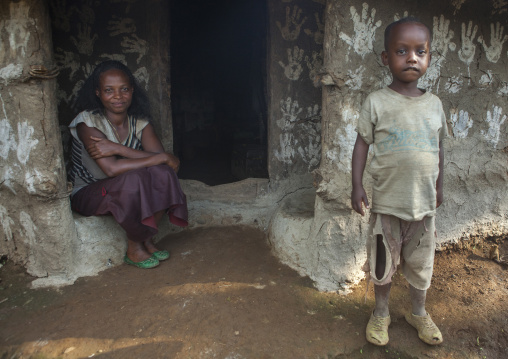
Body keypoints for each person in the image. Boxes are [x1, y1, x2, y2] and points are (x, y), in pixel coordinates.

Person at [351, 18, 447, 346]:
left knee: (421, 264)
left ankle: (418, 312)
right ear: (385, 58)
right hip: (387, 206)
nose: (412, 58)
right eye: (402, 51)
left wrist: (439, 185)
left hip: (422, 208)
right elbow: (362, 143)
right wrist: (357, 186)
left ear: (429, 58)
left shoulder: (434, 105)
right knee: (383, 263)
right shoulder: (377, 102)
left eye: (421, 51)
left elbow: (439, 148)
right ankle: (381, 313)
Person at [69, 60, 188, 269]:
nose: (118, 96)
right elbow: (111, 169)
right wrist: (161, 157)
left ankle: (147, 238)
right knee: (136, 177)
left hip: (125, 188)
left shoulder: (139, 122)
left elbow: (165, 164)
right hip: (88, 193)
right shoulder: (86, 123)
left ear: (132, 91)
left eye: (124, 89)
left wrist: (120, 149)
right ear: (98, 93)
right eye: (109, 90)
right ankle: (134, 247)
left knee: (164, 174)